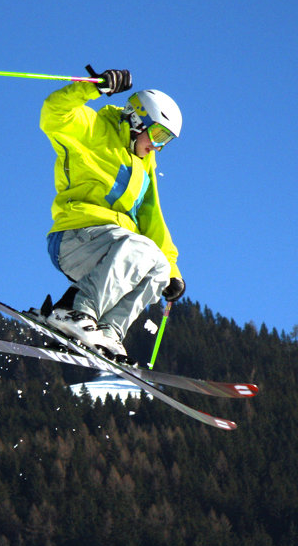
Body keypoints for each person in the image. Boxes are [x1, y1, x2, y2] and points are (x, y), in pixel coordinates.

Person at [37, 66, 186, 363]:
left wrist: (172, 270)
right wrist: (93, 88)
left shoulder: (144, 165)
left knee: (156, 267)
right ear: (136, 118)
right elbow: (54, 113)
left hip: (114, 251)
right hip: (75, 237)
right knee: (142, 248)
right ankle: (74, 310)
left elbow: (150, 216)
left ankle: (108, 332)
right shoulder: (95, 129)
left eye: (165, 141)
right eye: (156, 134)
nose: (156, 145)